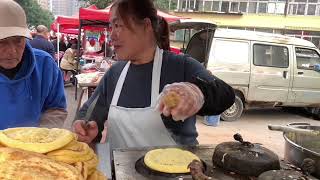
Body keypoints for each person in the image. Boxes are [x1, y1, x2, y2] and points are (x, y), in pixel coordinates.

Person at [73, 0, 235, 147]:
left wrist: (198, 92)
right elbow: (88, 114)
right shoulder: (115, 74)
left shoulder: (180, 66)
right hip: (118, 172)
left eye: (118, 26)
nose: (112, 36)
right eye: (111, 27)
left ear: (146, 26)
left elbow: (226, 95)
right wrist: (84, 129)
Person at [0, 0, 67, 129]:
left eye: (18, 41)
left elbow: (56, 108)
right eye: (2, 42)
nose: (12, 51)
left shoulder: (45, 65)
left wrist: (38, 138)